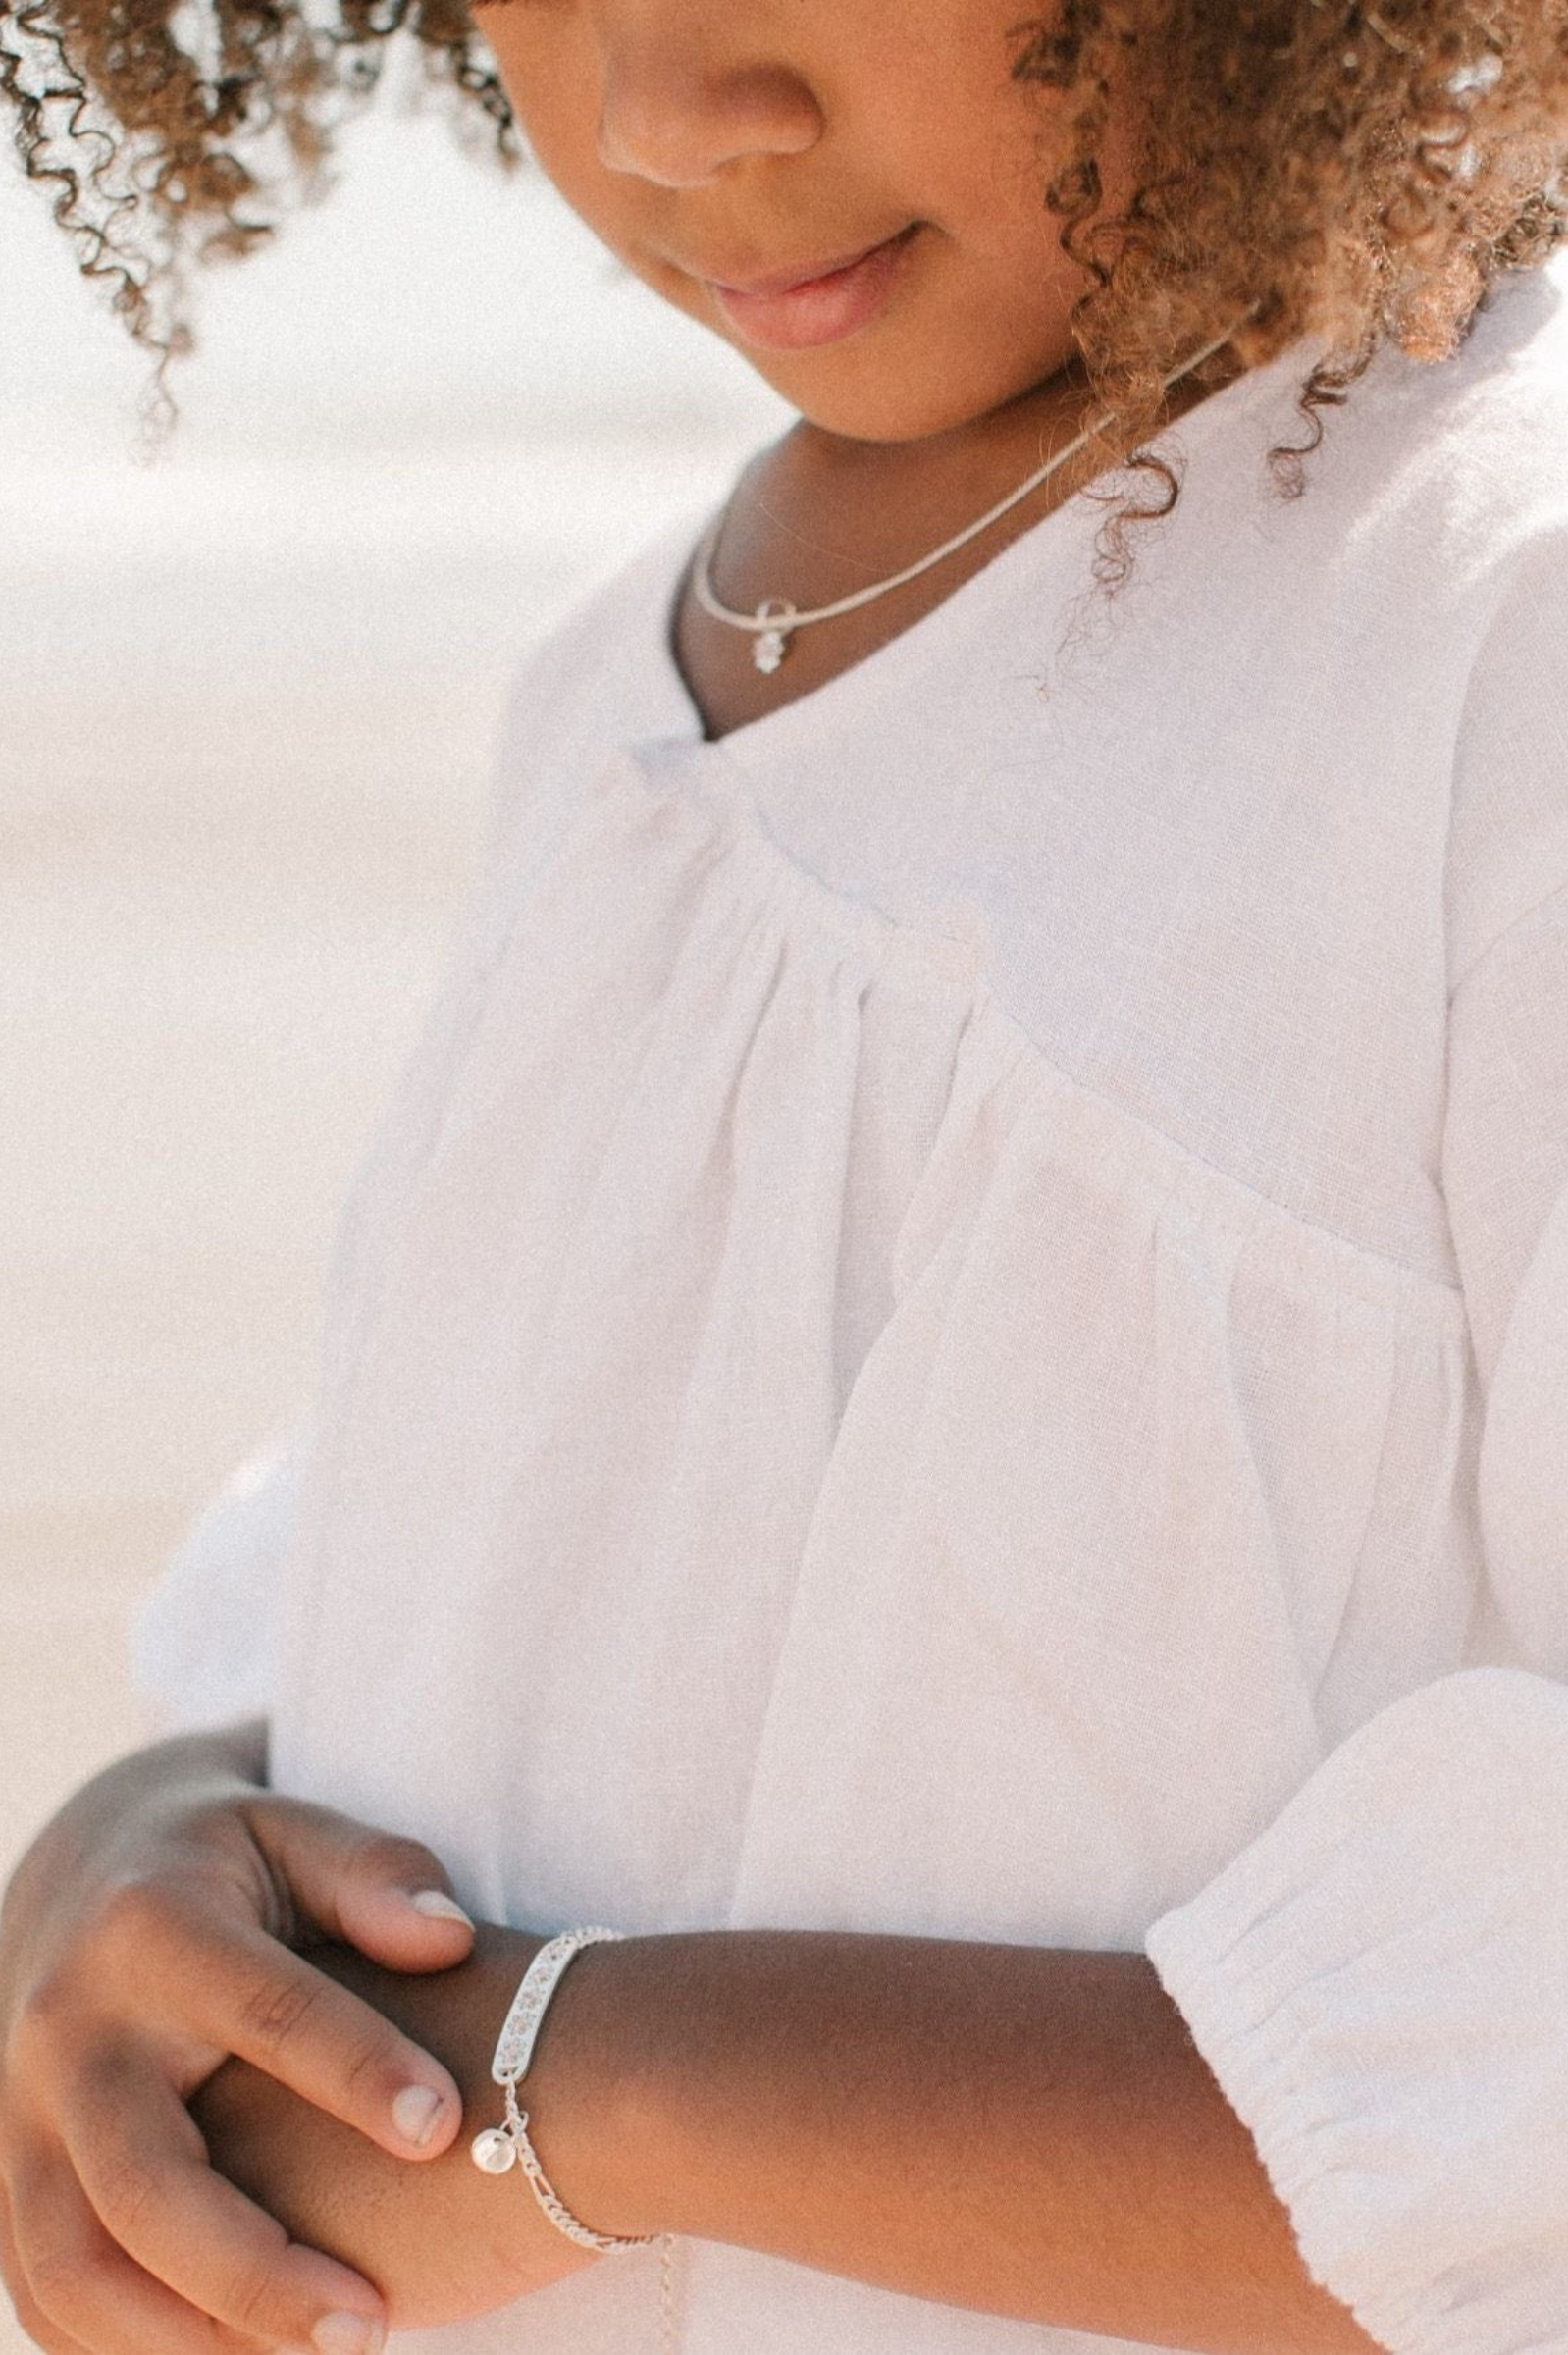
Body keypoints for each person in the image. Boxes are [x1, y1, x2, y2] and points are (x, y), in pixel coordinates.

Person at [4, 3, 1568, 2353]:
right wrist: (170, 1830)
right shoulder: (613, 686)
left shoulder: (1502, 633)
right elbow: (578, 1589)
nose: (665, 114)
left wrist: (593, 2085)